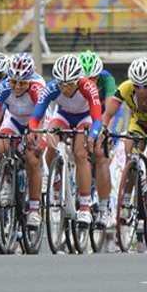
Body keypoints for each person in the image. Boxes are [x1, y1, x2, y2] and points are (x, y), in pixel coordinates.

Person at [29, 54, 103, 227]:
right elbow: (35, 117)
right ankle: (50, 179)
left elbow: (98, 120)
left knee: (80, 153)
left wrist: (92, 136)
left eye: (69, 84)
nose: (65, 88)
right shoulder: (52, 87)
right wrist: (35, 132)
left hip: (85, 118)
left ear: (78, 80)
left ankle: (85, 207)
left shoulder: (88, 86)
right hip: (63, 115)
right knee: (50, 141)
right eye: (61, 84)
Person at [102, 57, 147, 213]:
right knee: (131, 158)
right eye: (137, 86)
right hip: (139, 125)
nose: (141, 90)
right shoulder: (125, 88)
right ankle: (127, 200)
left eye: (146, 86)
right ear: (132, 83)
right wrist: (102, 128)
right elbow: (108, 114)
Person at [0, 52, 46, 227]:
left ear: (30, 79)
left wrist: (35, 137)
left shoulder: (38, 86)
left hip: (36, 119)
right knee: (1, 145)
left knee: (31, 157)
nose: (17, 87)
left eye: (22, 83)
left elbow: (40, 116)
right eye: (13, 82)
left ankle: (35, 209)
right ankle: (6, 183)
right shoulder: (3, 87)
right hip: (14, 119)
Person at [78, 50, 116, 228]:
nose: (89, 83)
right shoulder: (75, 81)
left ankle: (104, 207)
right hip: (87, 115)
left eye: (92, 79)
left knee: (101, 153)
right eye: (86, 79)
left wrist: (104, 131)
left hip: (105, 114)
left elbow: (109, 109)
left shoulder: (107, 79)